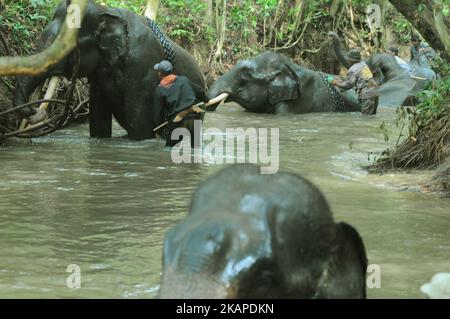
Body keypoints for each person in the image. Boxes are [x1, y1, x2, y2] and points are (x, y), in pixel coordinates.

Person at [152, 60, 201, 147]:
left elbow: (158, 113)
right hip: (195, 117)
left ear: (160, 74)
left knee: (169, 151)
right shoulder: (184, 80)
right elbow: (200, 91)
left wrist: (158, 131)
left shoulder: (159, 89)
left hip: (178, 120)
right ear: (172, 71)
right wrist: (207, 100)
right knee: (195, 150)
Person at [329, 49, 379, 115]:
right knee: (372, 116)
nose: (347, 60)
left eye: (348, 59)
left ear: (351, 60)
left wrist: (336, 83)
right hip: (375, 92)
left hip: (366, 94)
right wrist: (342, 82)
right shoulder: (363, 64)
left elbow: (349, 84)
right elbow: (361, 79)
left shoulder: (353, 69)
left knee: (366, 119)